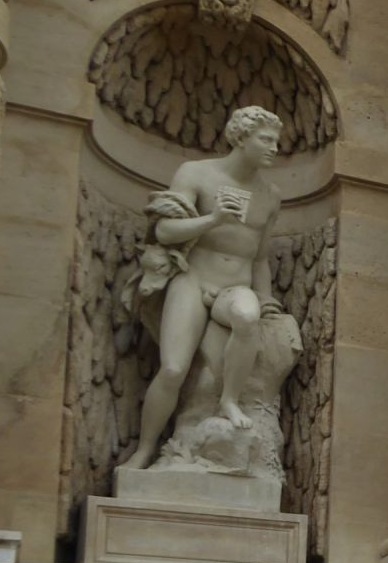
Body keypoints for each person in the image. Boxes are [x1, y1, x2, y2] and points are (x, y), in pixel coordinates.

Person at [121, 105, 286, 470]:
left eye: (277, 141)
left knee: (248, 315)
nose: (274, 148)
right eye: (266, 139)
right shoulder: (196, 174)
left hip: (235, 286)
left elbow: (260, 257)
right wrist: (213, 218)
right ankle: (145, 449)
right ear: (241, 138)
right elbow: (163, 232)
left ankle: (230, 399)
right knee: (173, 370)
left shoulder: (270, 195)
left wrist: (266, 296)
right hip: (193, 280)